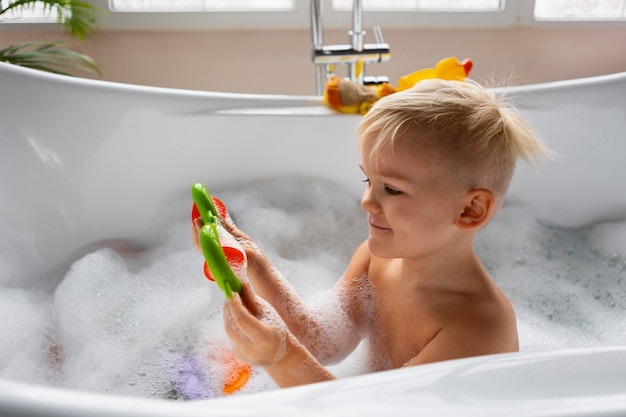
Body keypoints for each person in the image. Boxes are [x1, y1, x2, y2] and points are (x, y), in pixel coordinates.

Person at [193, 79, 551, 388]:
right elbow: (322, 343)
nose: (366, 201)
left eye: (392, 190)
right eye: (368, 180)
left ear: (470, 210)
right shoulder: (378, 257)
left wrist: (279, 357)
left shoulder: (478, 327)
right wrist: (254, 264)